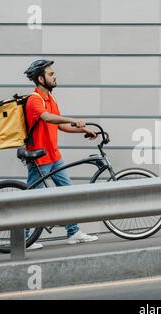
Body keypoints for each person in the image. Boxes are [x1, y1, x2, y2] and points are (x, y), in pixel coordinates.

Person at [23, 59, 99, 250]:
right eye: (50, 74)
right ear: (40, 78)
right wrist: (74, 119)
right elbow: (47, 117)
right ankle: (23, 240)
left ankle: (73, 232)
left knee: (67, 193)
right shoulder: (35, 100)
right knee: (31, 201)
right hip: (39, 159)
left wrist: (84, 130)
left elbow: (61, 125)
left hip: (54, 157)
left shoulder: (51, 99)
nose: (55, 76)